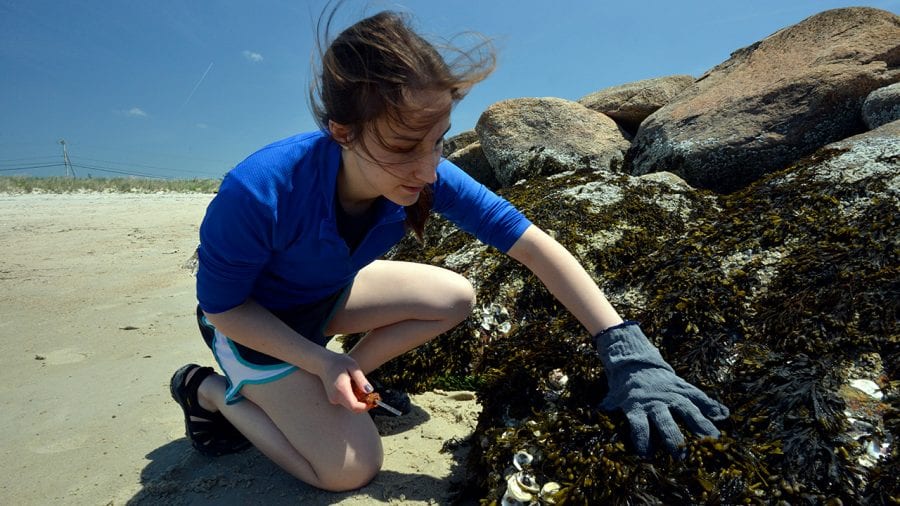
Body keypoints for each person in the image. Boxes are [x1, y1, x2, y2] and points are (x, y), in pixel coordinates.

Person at [169, 6, 729, 493]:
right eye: (404, 146)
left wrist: (627, 350)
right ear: (343, 131)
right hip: (255, 327)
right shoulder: (261, 190)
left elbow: (535, 246)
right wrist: (319, 358)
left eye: (437, 140)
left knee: (454, 296)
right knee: (348, 471)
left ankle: (339, 382)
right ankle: (212, 392)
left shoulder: (430, 175)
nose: (427, 167)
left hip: (325, 297)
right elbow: (224, 307)